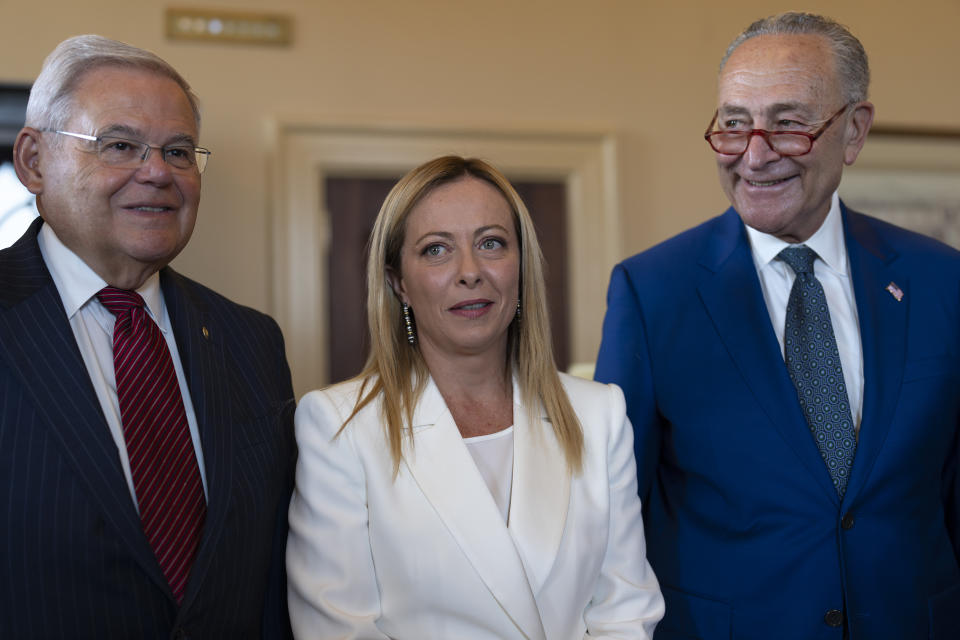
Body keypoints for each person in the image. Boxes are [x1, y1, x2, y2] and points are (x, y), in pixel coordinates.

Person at [595, 11, 960, 640]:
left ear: (854, 130)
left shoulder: (940, 281)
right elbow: (614, 518)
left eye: (788, 125)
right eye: (735, 125)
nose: (754, 157)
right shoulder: (653, 293)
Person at [287, 155, 664, 638]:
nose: (470, 272)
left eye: (491, 244)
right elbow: (337, 629)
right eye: (436, 250)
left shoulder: (598, 415)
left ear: (521, 266)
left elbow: (625, 611)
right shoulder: (339, 426)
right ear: (398, 282)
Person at [0, 35, 296, 638]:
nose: (158, 172)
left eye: (180, 152)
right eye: (119, 145)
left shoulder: (250, 341)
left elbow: (267, 578)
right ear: (33, 161)